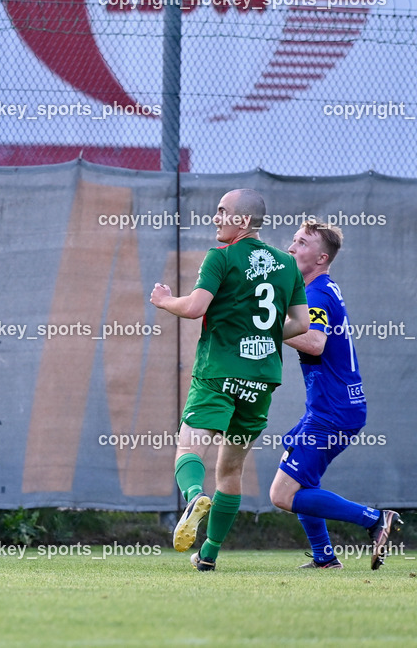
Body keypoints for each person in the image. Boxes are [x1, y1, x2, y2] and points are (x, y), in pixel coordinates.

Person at [150, 189, 310, 571]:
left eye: (222, 211)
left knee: (188, 450)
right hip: (260, 381)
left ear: (241, 221)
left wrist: (163, 301)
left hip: (218, 373)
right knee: (232, 471)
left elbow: (194, 307)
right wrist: (267, 337)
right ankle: (208, 555)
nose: (216, 217)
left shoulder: (220, 257)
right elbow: (302, 324)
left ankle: (192, 496)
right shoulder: (288, 265)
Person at [269, 220, 400, 570]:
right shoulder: (317, 289)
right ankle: (325, 558)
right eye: (294, 240)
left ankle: (374, 519)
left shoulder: (317, 293)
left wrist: (263, 325)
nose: (293, 247)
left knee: (283, 495)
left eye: (302, 242)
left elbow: (314, 342)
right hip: (332, 407)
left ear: (322, 257)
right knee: (300, 480)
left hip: (334, 411)